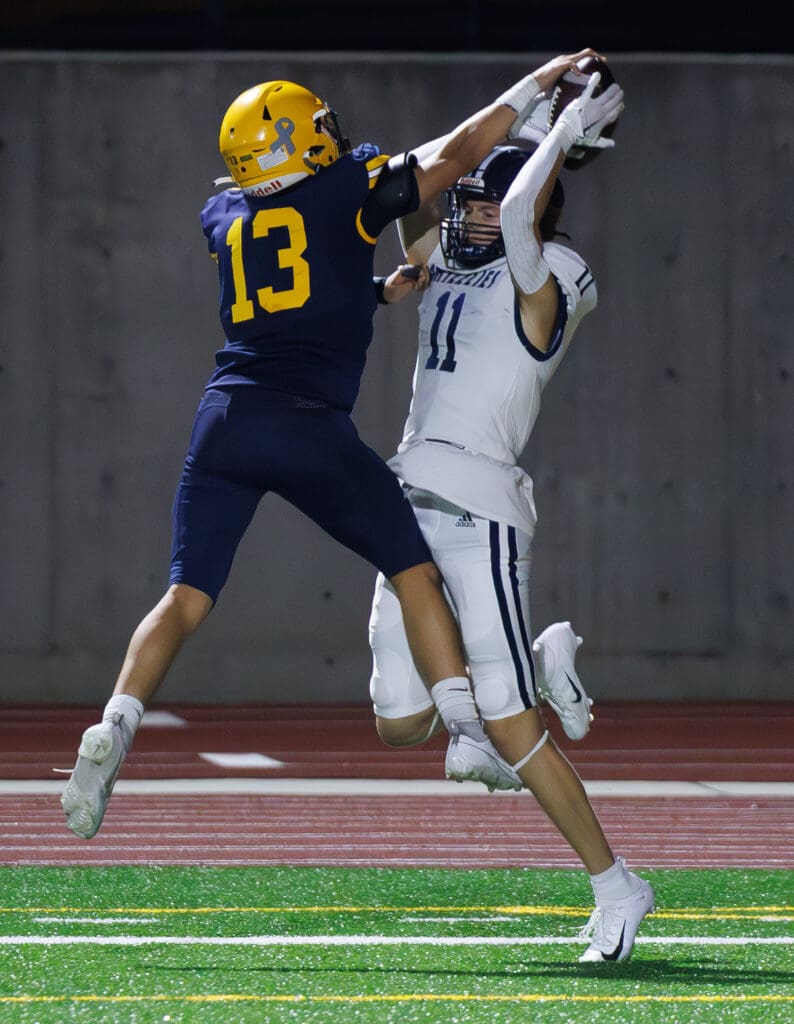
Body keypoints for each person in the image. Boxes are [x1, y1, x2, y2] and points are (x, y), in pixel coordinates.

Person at [60, 52, 606, 843]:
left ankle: (117, 719)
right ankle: (466, 728)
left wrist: (375, 293)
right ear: (293, 141)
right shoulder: (346, 188)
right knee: (413, 567)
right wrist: (535, 88)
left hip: (225, 416)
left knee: (186, 596)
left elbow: (302, 275)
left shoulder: (223, 217)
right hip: (306, 422)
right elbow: (454, 154)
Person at [368, 71, 656, 963]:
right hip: (404, 495)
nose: (470, 213)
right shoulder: (452, 252)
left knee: (505, 725)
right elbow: (427, 172)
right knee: (397, 722)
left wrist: (559, 133)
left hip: (481, 505)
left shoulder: (553, 271)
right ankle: (537, 658)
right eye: (471, 204)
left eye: (488, 204)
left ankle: (617, 887)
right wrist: (530, 100)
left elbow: (525, 216)